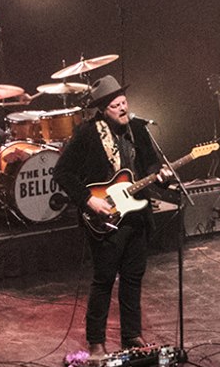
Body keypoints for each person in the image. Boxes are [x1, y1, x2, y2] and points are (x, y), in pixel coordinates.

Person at [55, 75, 168, 352]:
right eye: (116, 104)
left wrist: (160, 174)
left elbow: (151, 163)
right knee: (104, 280)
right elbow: (62, 172)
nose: (122, 108)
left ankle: (131, 335)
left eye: (124, 102)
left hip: (136, 215)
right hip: (105, 217)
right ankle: (96, 342)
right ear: (104, 109)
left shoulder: (138, 129)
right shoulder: (87, 133)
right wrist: (87, 201)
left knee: (133, 278)